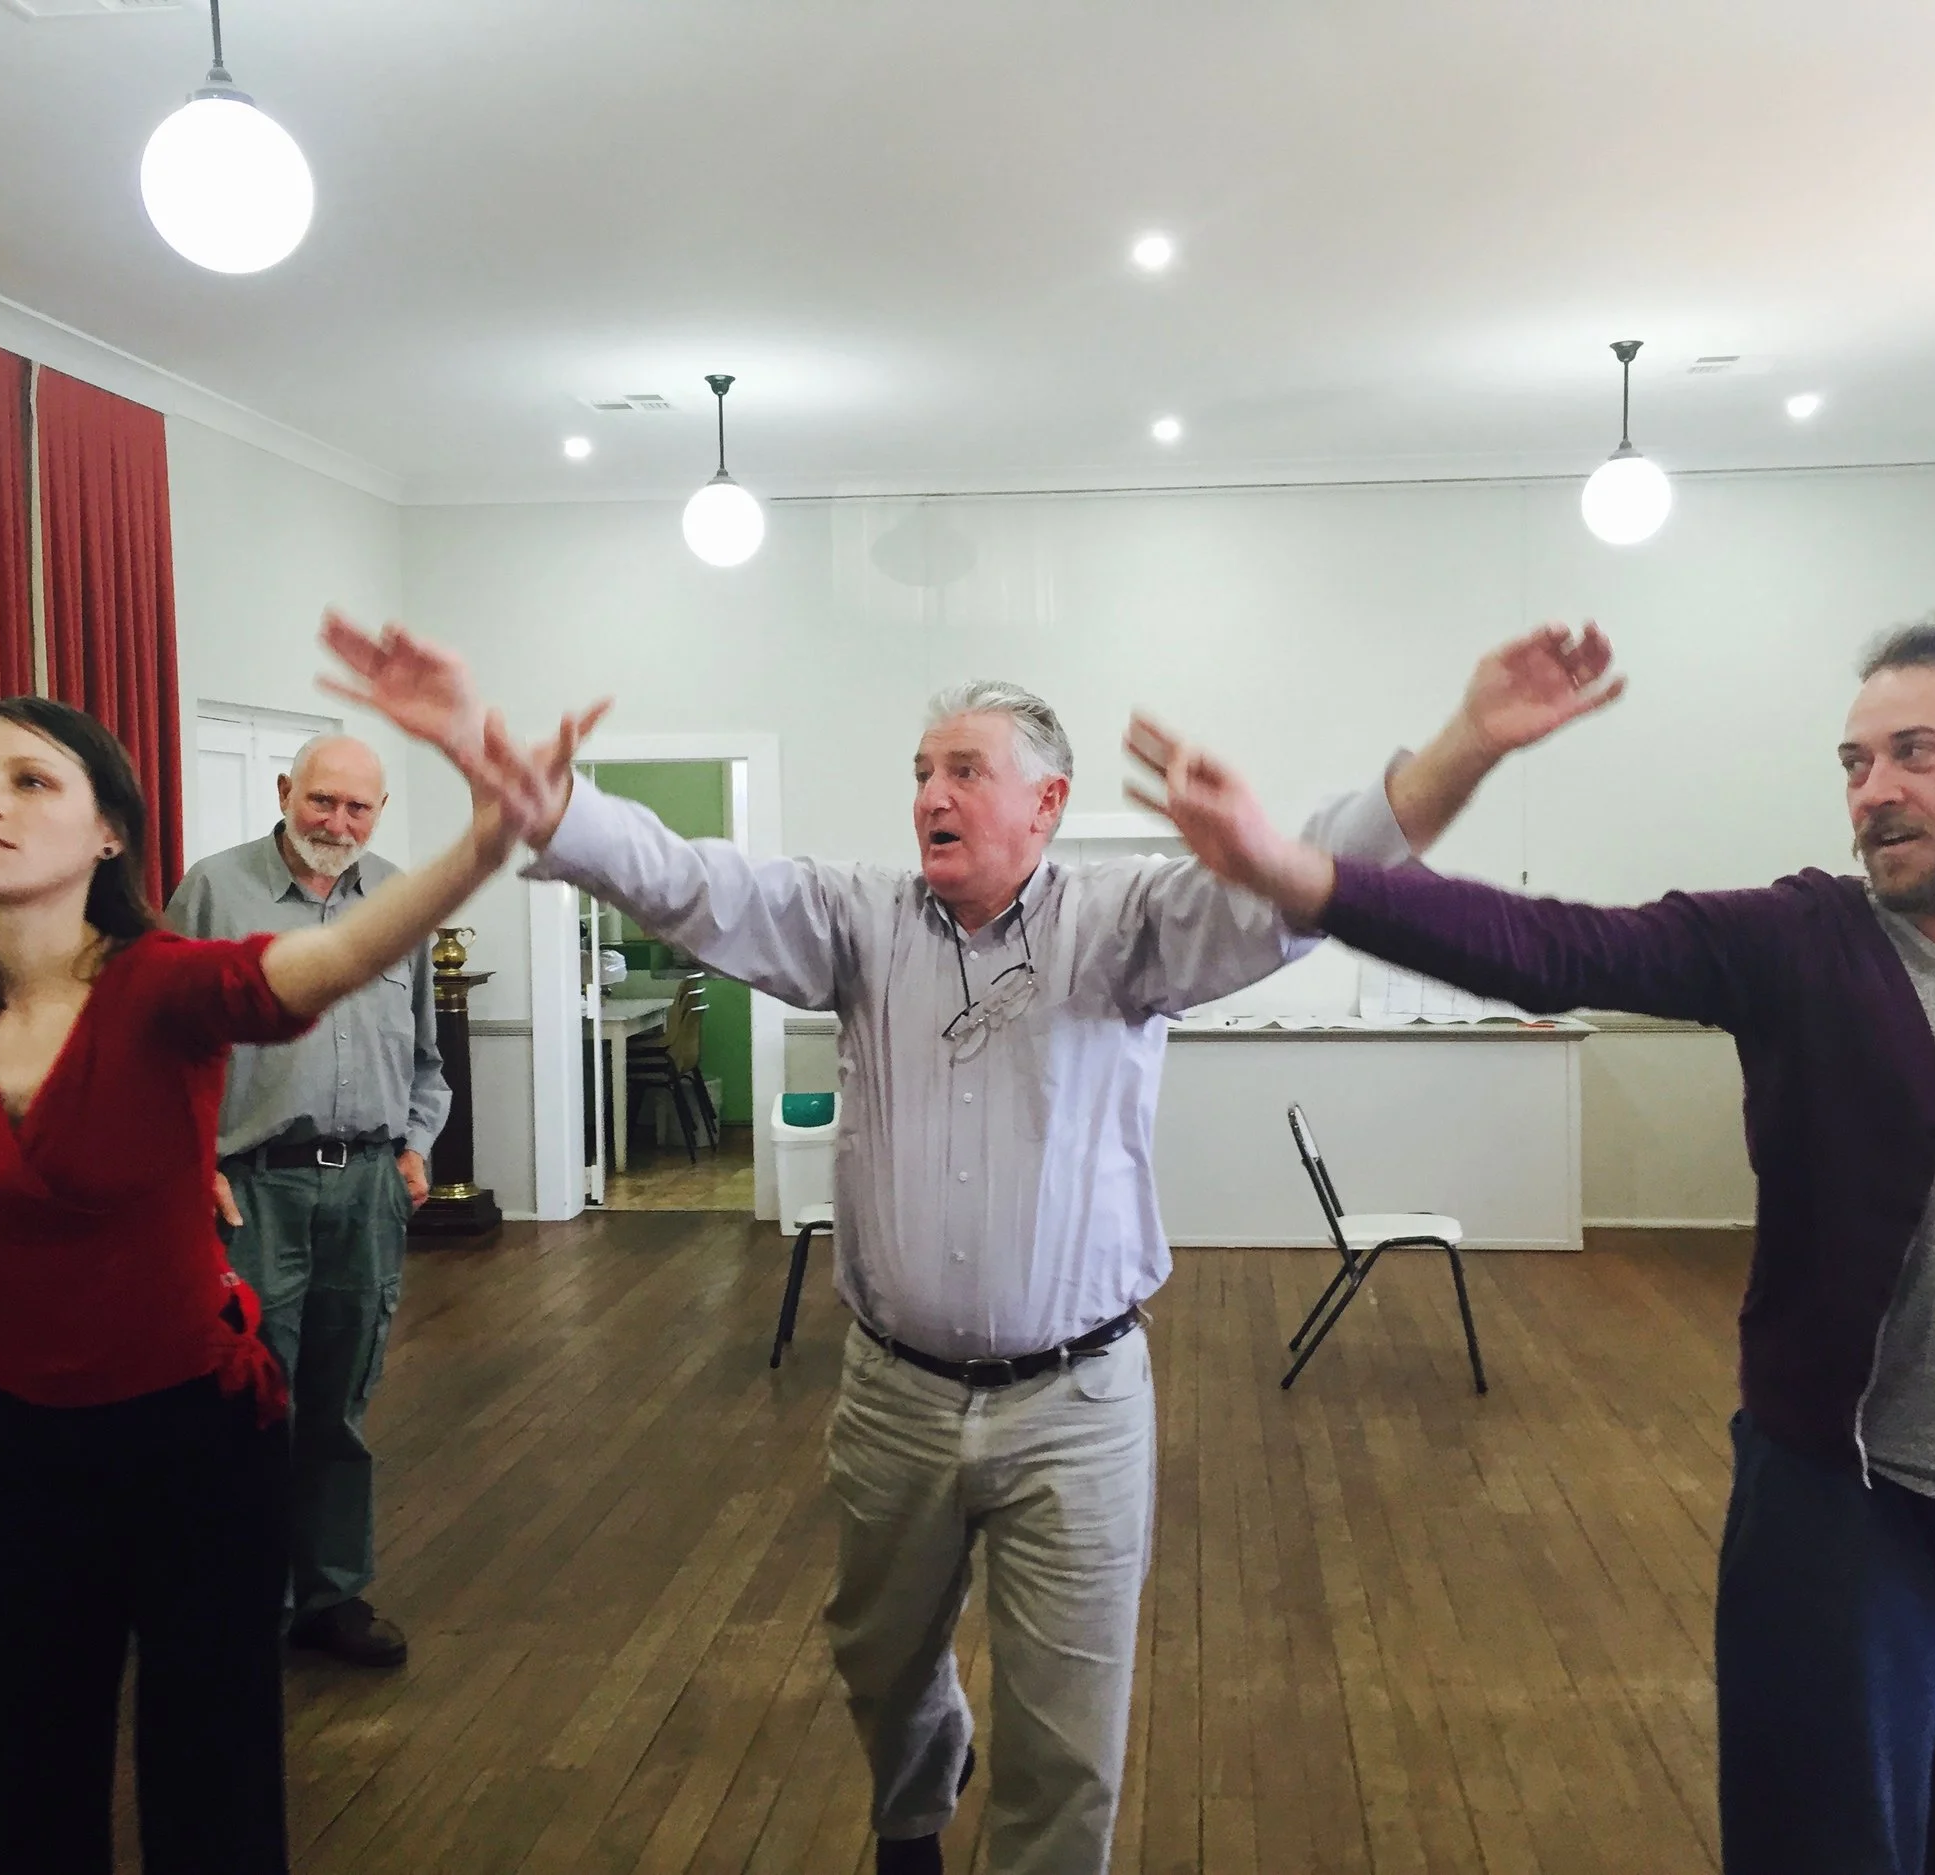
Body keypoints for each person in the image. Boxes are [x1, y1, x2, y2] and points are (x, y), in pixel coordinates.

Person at [318, 615, 1623, 1875]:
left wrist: (1467, 741)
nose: (930, 795)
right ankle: (912, 1818)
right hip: (893, 1396)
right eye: (920, 772)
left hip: (1079, 1403)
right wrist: (535, 792)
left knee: (1068, 1738)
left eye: (964, 771)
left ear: (1046, 805)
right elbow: (693, 880)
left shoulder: (1127, 927)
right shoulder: (856, 920)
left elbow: (1315, 878)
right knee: (879, 1663)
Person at [1131, 613, 1935, 1875]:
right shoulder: (1802, 944)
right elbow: (1555, 948)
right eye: (1854, 762)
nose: (1872, 790)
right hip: (1850, 1510)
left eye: (1915, 752)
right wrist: (1291, 870)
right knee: (1825, 1842)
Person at [0, 619, 546, 1875]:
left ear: (107, 832)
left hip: (197, 1440)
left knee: (212, 1784)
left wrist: (486, 835)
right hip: (17, 1450)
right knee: (17, 1782)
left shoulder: (160, 985)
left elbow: (323, 962)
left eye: (28, 780)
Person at [169, 734, 447, 1669]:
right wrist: (190, 1162)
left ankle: (332, 1595)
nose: (337, 821)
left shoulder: (400, 902)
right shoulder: (213, 892)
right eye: (322, 799)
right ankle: (243, 1602)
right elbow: (160, 1043)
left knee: (339, 1404)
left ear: (379, 812)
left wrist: (414, 1143)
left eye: (357, 807)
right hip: (252, 1190)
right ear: (287, 790)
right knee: (248, 1406)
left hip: (367, 1188)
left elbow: (426, 1057)